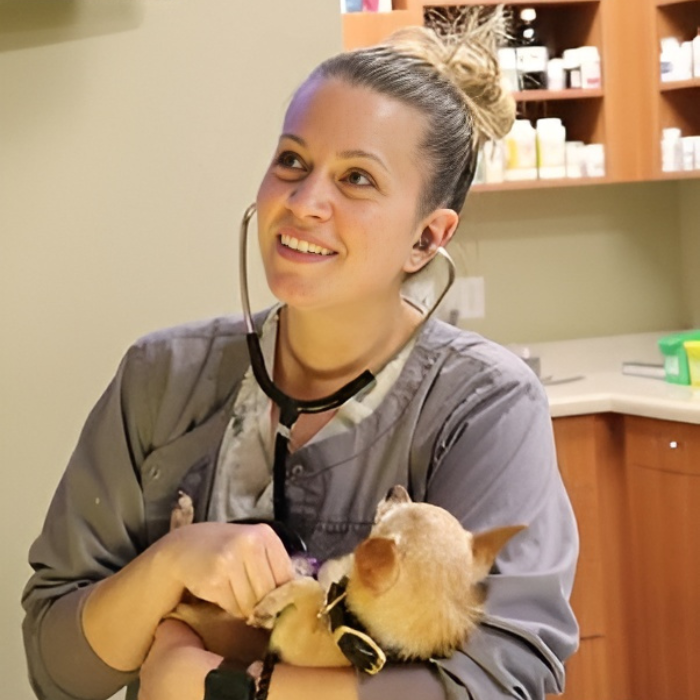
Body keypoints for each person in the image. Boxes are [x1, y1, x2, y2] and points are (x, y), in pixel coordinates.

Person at [22, 10, 579, 700]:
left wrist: (219, 688)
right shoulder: (160, 379)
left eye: (357, 179)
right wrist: (169, 563)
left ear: (427, 237)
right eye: (292, 161)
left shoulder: (482, 407)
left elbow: (503, 681)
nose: (305, 202)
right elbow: (56, 665)